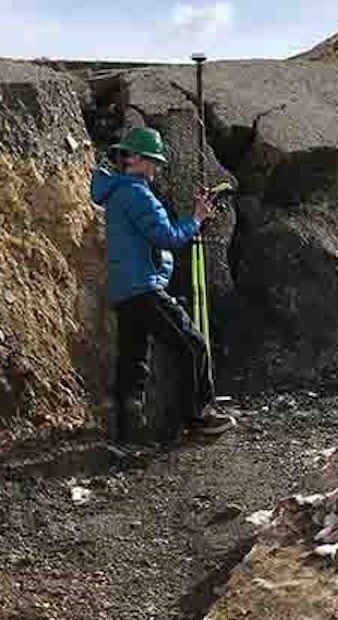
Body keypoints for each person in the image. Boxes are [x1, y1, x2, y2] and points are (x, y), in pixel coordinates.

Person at [90, 125, 235, 442]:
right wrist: (196, 219)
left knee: (133, 362)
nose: (157, 167)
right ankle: (198, 418)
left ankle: (126, 434)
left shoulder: (117, 192)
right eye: (154, 161)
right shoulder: (136, 193)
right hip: (143, 288)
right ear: (137, 159)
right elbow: (166, 237)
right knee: (191, 343)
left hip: (125, 290)